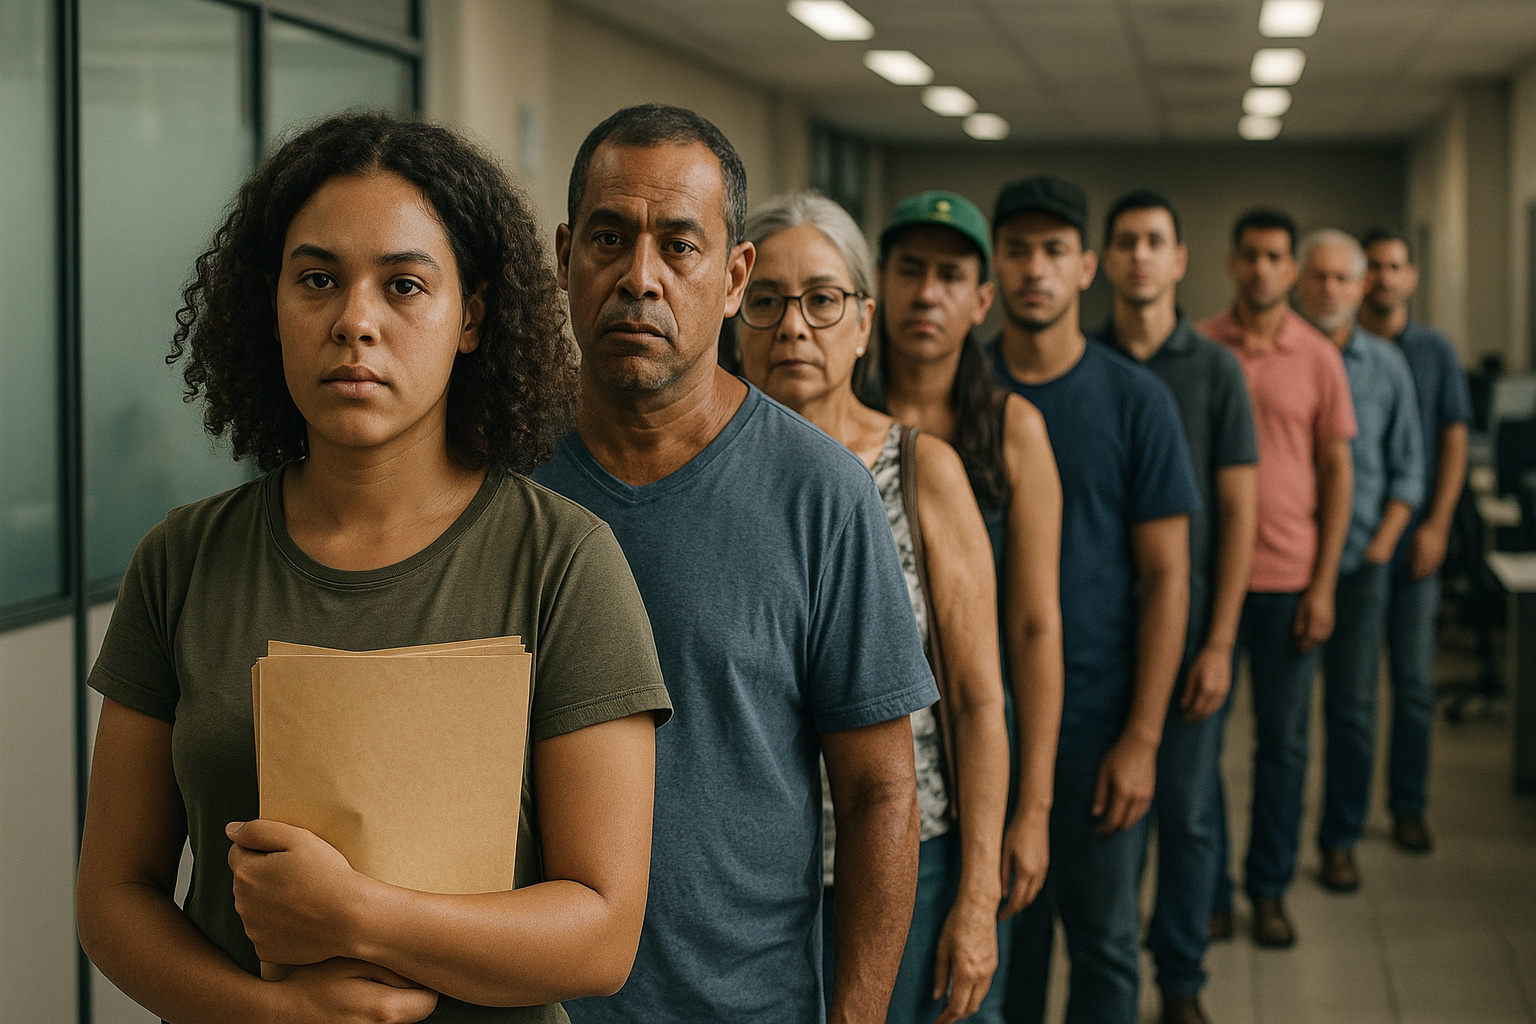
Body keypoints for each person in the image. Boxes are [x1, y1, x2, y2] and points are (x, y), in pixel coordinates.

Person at [75, 111, 673, 1024]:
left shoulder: (563, 563)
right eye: (318, 280)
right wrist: (277, 1016)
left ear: (471, 317)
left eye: (403, 286)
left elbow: (600, 935)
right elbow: (115, 895)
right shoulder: (184, 560)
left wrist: (357, 913)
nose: (356, 321)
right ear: (269, 304)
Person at [533, 104, 938, 1024]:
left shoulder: (822, 495)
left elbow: (879, 790)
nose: (639, 278)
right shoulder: (496, 478)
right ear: (564, 257)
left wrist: (861, 1013)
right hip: (524, 1007)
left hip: (745, 1006)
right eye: (608, 238)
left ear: (733, 277)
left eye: (680, 246)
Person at [733, 190, 1011, 1024]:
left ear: (863, 321)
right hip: (743, 882)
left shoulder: (923, 471)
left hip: (902, 863)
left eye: (822, 300)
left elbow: (976, 697)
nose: (793, 327)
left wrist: (979, 891)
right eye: (767, 300)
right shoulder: (699, 477)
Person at [986, 175, 1199, 1024]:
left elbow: (1167, 578)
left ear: (1086, 268)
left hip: (1099, 724)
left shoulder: (1137, 401)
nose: (1033, 270)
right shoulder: (964, 392)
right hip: (981, 722)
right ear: (995, 270)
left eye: (1053, 252)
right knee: (1007, 942)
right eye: (1016, 252)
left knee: (1105, 943)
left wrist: (1143, 739)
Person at [853, 190, 1065, 1024]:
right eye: (910, 272)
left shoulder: (1013, 428)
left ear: (982, 300)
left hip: (969, 745)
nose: (927, 295)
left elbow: (1034, 630)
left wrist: (1031, 811)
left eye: (950, 277)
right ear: (880, 286)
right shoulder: (832, 414)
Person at [1096, 190, 1258, 1024]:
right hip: (1098, 641)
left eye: (1155, 241)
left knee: (1189, 819)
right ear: (1105, 259)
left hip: (1188, 635)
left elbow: (1238, 512)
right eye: (1125, 242)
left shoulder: (1215, 369)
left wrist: (1221, 639)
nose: (1140, 256)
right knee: (1107, 824)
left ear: (1179, 259)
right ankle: (1116, 968)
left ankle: (1183, 984)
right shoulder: (1084, 363)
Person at [1198, 209, 1356, 949]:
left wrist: (1325, 584)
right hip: (1211, 585)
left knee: (1283, 746)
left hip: (1292, 579)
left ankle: (1268, 889)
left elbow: (1336, 473)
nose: (1262, 268)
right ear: (1233, 263)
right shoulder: (1201, 348)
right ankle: (1212, 892)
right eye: (1251, 255)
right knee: (1203, 747)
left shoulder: (1318, 356)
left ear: (1290, 270)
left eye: (1275, 258)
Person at [1296, 229, 1425, 892]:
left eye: (1342, 280)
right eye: (1317, 277)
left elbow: (1410, 471)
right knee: (1283, 729)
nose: (1329, 290)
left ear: (1360, 287)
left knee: (1351, 710)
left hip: (1358, 566)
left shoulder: (1386, 367)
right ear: (1300, 280)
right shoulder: (1282, 356)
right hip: (1287, 567)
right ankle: (1270, 860)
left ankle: (1339, 838)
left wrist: (1377, 550)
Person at [1357, 228, 1473, 853]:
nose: (1383, 278)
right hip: (1351, 546)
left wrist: (1437, 524)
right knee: (1352, 697)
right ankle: (1342, 822)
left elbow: (1452, 441)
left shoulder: (1433, 350)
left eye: (1394, 267)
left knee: (1413, 684)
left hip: (1414, 546)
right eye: (1372, 267)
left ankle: (1407, 804)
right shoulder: (1339, 347)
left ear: (1412, 277)